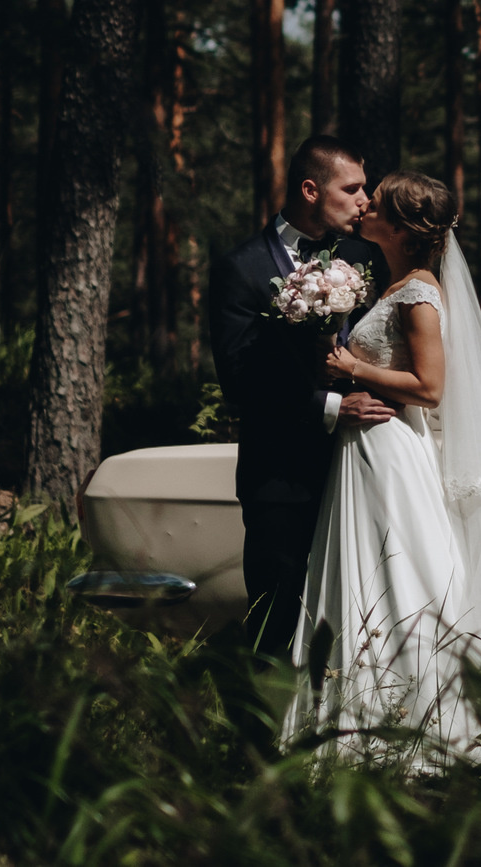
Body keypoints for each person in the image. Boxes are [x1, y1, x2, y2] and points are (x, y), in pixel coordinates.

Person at [284, 170, 481, 760]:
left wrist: (352, 369)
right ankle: (358, 717)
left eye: (374, 203)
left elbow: (429, 387)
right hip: (368, 449)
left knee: (401, 573)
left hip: (393, 450)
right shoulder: (395, 282)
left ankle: (427, 722)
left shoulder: (419, 294)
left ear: (399, 227)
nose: (364, 206)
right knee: (365, 574)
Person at [205, 134, 393, 652]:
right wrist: (334, 406)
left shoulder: (367, 258)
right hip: (281, 481)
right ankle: (261, 730)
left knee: (358, 617)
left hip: (363, 469)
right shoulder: (241, 269)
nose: (365, 201)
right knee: (276, 619)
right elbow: (239, 380)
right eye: (352, 189)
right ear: (311, 190)